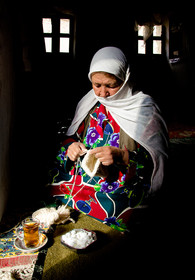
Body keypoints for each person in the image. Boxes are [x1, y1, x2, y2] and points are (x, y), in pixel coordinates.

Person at [48, 46, 168, 231]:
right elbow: (70, 136)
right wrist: (72, 145)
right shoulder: (90, 101)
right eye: (97, 85)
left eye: (111, 85)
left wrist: (122, 156)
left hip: (123, 178)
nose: (102, 93)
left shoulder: (144, 109)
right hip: (87, 173)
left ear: (125, 79)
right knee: (53, 180)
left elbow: (156, 162)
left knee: (125, 208)